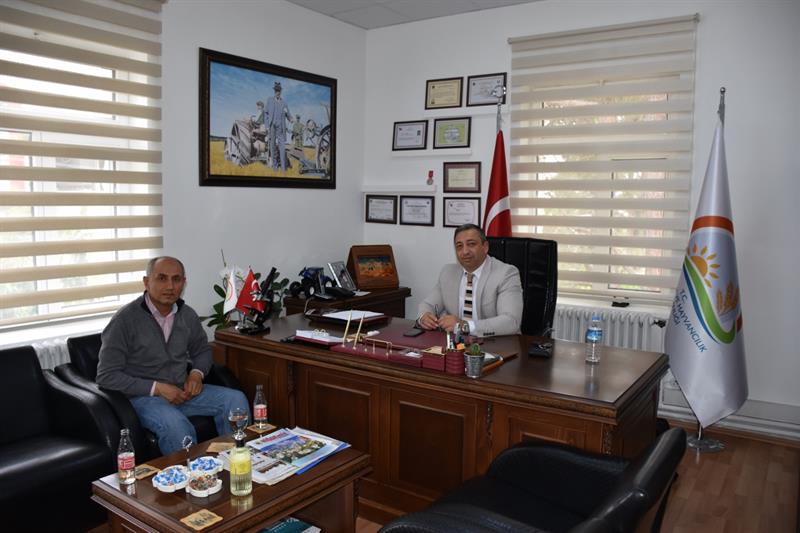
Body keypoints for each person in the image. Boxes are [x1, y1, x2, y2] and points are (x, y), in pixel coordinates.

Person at [96, 256, 250, 454]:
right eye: (162, 278)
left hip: (183, 392)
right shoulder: (124, 320)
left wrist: (196, 374)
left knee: (236, 401)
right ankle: (194, 473)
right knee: (177, 426)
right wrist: (157, 388)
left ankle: (236, 461)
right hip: (143, 398)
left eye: (176, 279)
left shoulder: (187, 315)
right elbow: (106, 376)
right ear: (146, 282)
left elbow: (202, 350)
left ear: (183, 283)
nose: (170, 286)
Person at [417, 224, 523, 337]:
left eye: (471, 244)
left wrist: (465, 326)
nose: (465, 251)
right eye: (459, 246)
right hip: (457, 342)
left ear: (485, 247)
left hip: (496, 342)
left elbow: (511, 321)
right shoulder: (448, 272)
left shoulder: (506, 274)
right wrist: (424, 317)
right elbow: (428, 304)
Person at [265, 81, 293, 171]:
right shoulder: (269, 100)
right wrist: (267, 126)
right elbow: (266, 113)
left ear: (281, 91)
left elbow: (288, 114)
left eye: (279, 90)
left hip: (281, 127)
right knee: (272, 147)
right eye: (276, 90)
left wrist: (291, 118)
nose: (277, 92)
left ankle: (284, 169)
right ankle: (275, 167)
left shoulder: (284, 103)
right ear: (274, 91)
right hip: (272, 126)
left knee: (282, 148)